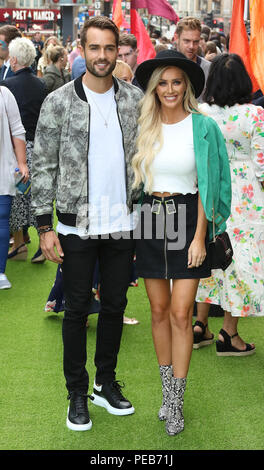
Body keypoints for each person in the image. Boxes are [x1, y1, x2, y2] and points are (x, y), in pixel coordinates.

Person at [31, 16, 143, 432]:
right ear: (81, 49)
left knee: (115, 306)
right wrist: (44, 226)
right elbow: (42, 164)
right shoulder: (58, 101)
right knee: (77, 311)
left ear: (118, 51)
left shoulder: (134, 99)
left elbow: (145, 163)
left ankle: (105, 383)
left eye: (109, 48)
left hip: (123, 224)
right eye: (94, 48)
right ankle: (76, 393)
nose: (102, 56)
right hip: (76, 228)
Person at [133, 49, 231, 435]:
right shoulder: (144, 125)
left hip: (189, 219)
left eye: (177, 82)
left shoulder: (203, 127)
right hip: (150, 219)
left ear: (186, 86)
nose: (170, 89)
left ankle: (177, 402)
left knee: (180, 313)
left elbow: (211, 183)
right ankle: (165, 393)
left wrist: (200, 236)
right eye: (163, 83)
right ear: (154, 88)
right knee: (157, 311)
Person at [194, 53, 264, 355]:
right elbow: (262, 163)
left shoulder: (200, 112)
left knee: (208, 255)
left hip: (210, 189)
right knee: (238, 259)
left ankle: (199, 326)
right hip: (246, 193)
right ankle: (229, 333)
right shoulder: (253, 115)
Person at [1, 37, 47, 263]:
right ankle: (33, 244)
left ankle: (20, 244)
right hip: (37, 148)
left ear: (14, 59)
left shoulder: (7, 86)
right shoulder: (41, 84)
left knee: (17, 198)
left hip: (15, 149)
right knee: (35, 198)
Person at [0, 86, 28, 289]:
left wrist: (22, 163)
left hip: (3, 170)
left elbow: (17, 128)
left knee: (2, 221)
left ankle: (0, 272)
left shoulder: (4, 94)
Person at [174, 17, 211, 102]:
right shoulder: (164, 66)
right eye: (186, 41)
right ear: (176, 38)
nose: (191, 46)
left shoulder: (209, 69)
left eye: (195, 42)